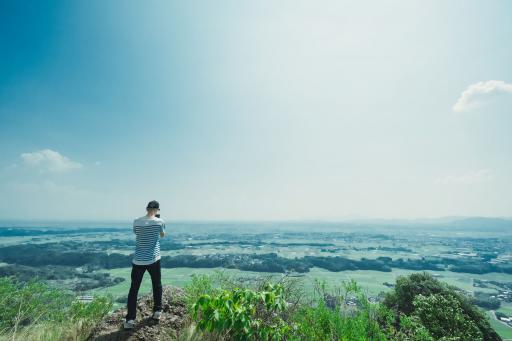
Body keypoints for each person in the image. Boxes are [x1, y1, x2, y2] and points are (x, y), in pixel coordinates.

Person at [124, 200, 166, 329]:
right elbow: (162, 235)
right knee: (157, 284)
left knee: (134, 289)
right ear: (157, 210)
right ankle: (157, 311)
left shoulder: (136, 221)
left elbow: (137, 233)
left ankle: (130, 319)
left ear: (146, 208)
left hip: (138, 260)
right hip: (153, 259)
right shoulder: (160, 222)